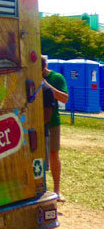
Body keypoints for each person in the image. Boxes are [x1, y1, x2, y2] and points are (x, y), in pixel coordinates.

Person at [42, 55, 69, 202]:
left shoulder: (57, 77)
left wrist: (46, 85)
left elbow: (65, 98)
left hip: (52, 122)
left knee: (53, 154)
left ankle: (57, 190)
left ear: (44, 66)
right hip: (35, 123)